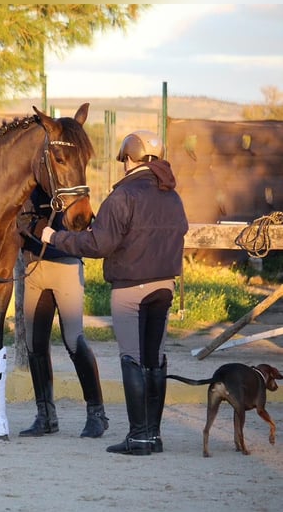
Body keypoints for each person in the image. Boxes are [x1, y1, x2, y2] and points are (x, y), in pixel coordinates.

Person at [41, 130, 188, 456]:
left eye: (124, 158)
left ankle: (137, 437)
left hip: (130, 288)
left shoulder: (123, 196)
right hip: (165, 286)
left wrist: (55, 238)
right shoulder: (172, 195)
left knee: (132, 359)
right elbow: (181, 232)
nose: (123, 164)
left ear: (130, 158)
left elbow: (98, 244)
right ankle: (153, 436)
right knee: (156, 360)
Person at [16, 185, 109, 439]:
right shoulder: (29, 187)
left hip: (66, 264)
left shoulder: (71, 183)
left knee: (73, 339)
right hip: (35, 267)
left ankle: (96, 414)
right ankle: (45, 415)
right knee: (34, 344)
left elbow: (84, 220)